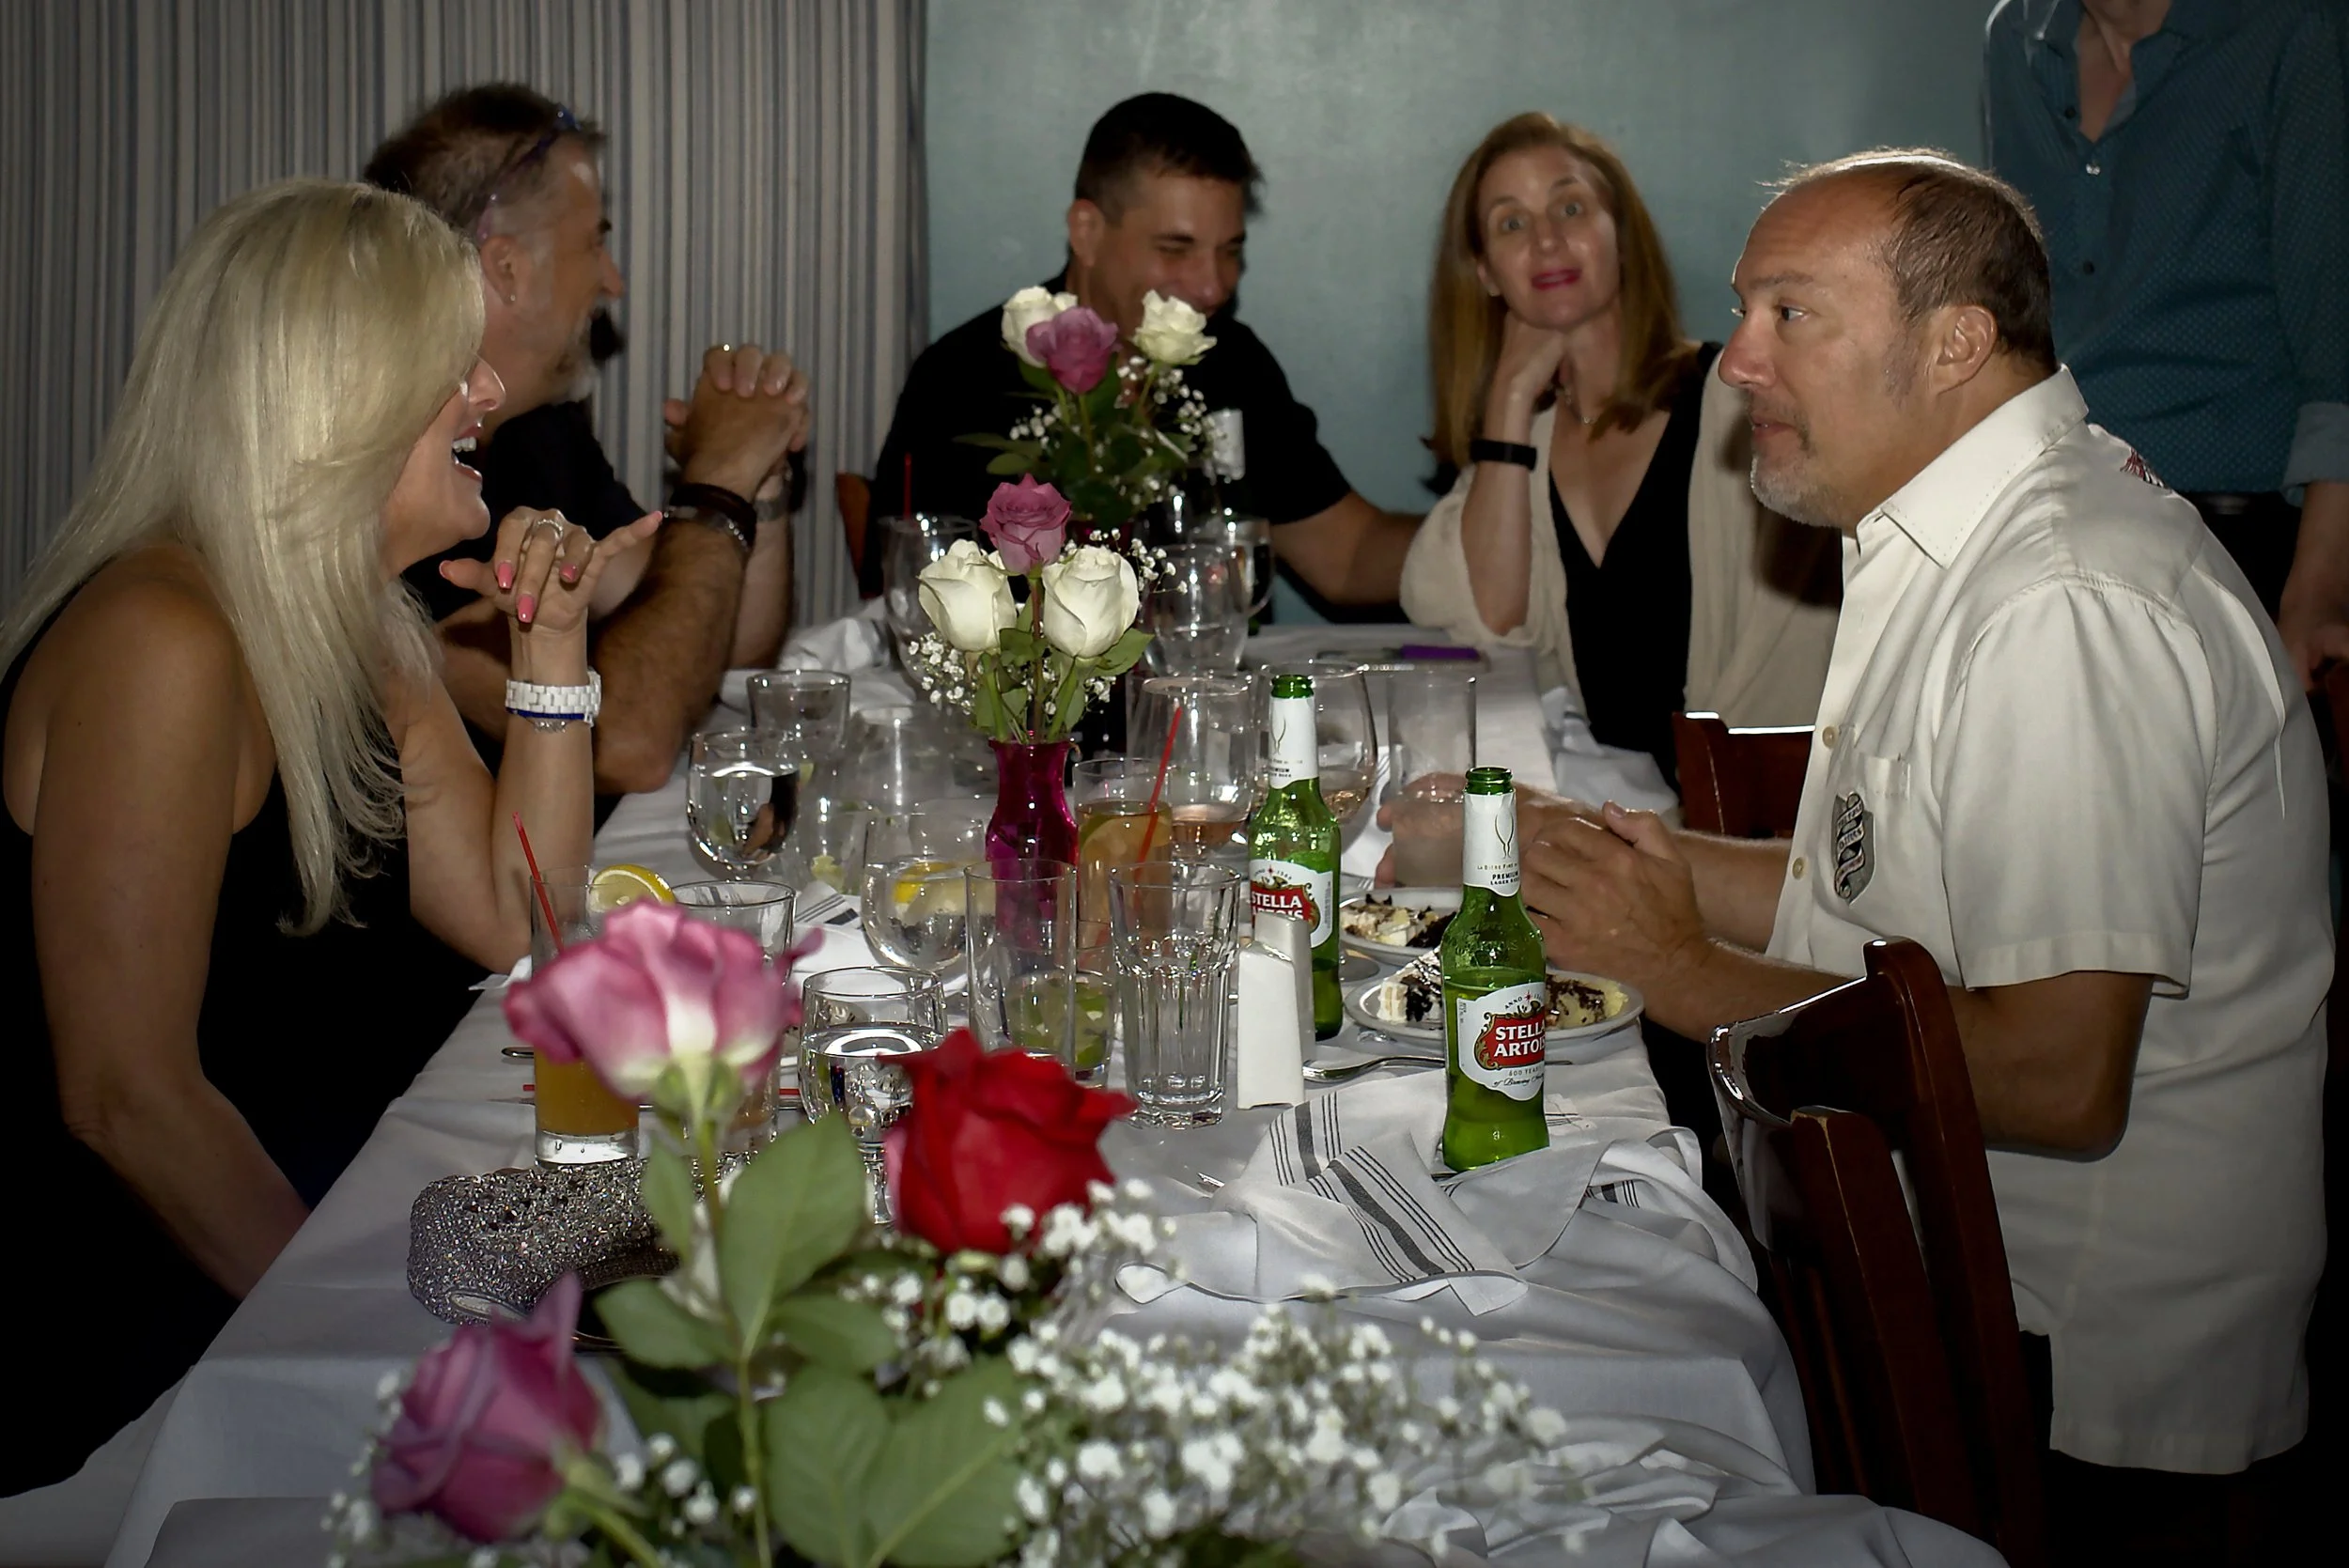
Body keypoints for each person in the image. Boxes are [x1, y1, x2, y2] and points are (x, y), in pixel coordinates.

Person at [1522, 152, 2326, 1559]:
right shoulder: (1946, 537)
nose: (1738, 364)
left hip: (2074, 1384)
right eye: (1743, 312)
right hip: (1948, 1277)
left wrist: (1682, 971)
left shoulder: (2064, 601)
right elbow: (1861, 887)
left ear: (1958, 342)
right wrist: (1589, 851)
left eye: (1793, 315)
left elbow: (2060, 1076)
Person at [0, 180, 641, 1498]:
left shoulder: (351, 624)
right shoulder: (161, 640)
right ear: (338, 392)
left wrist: (554, 645)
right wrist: (358, 1344)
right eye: (445, 360)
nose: (484, 389)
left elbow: (525, 912)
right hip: (110, 1329)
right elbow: (125, 1100)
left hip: (296, 1216)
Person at [365, 84, 810, 793]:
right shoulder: (391, 484)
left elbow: (714, 651)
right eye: (595, 241)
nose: (614, 281)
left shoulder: (540, 431)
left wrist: (759, 479)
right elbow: (630, 741)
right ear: (506, 268)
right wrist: (715, 484)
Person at [1401, 113, 1840, 786]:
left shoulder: (1744, 404)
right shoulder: (1529, 445)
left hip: (1770, 818)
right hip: (1623, 816)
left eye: (1571, 207)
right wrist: (1511, 398)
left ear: (1621, 235)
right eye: (1511, 223)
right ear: (1486, 272)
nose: (1547, 240)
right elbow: (1482, 624)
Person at [869, 92, 1418, 615]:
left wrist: (1478, 526)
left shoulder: (1229, 362)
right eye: (1175, 249)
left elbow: (1344, 557)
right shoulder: (964, 377)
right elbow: (908, 591)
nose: (1212, 288)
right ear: (1087, 231)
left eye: (1229, 252)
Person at [1983, 0, 2349, 688]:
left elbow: (2336, 330)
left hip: (2238, 529)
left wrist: (2321, 579)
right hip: (2057, 512)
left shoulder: (2290, 30)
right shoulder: (2016, 37)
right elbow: (2018, 307)